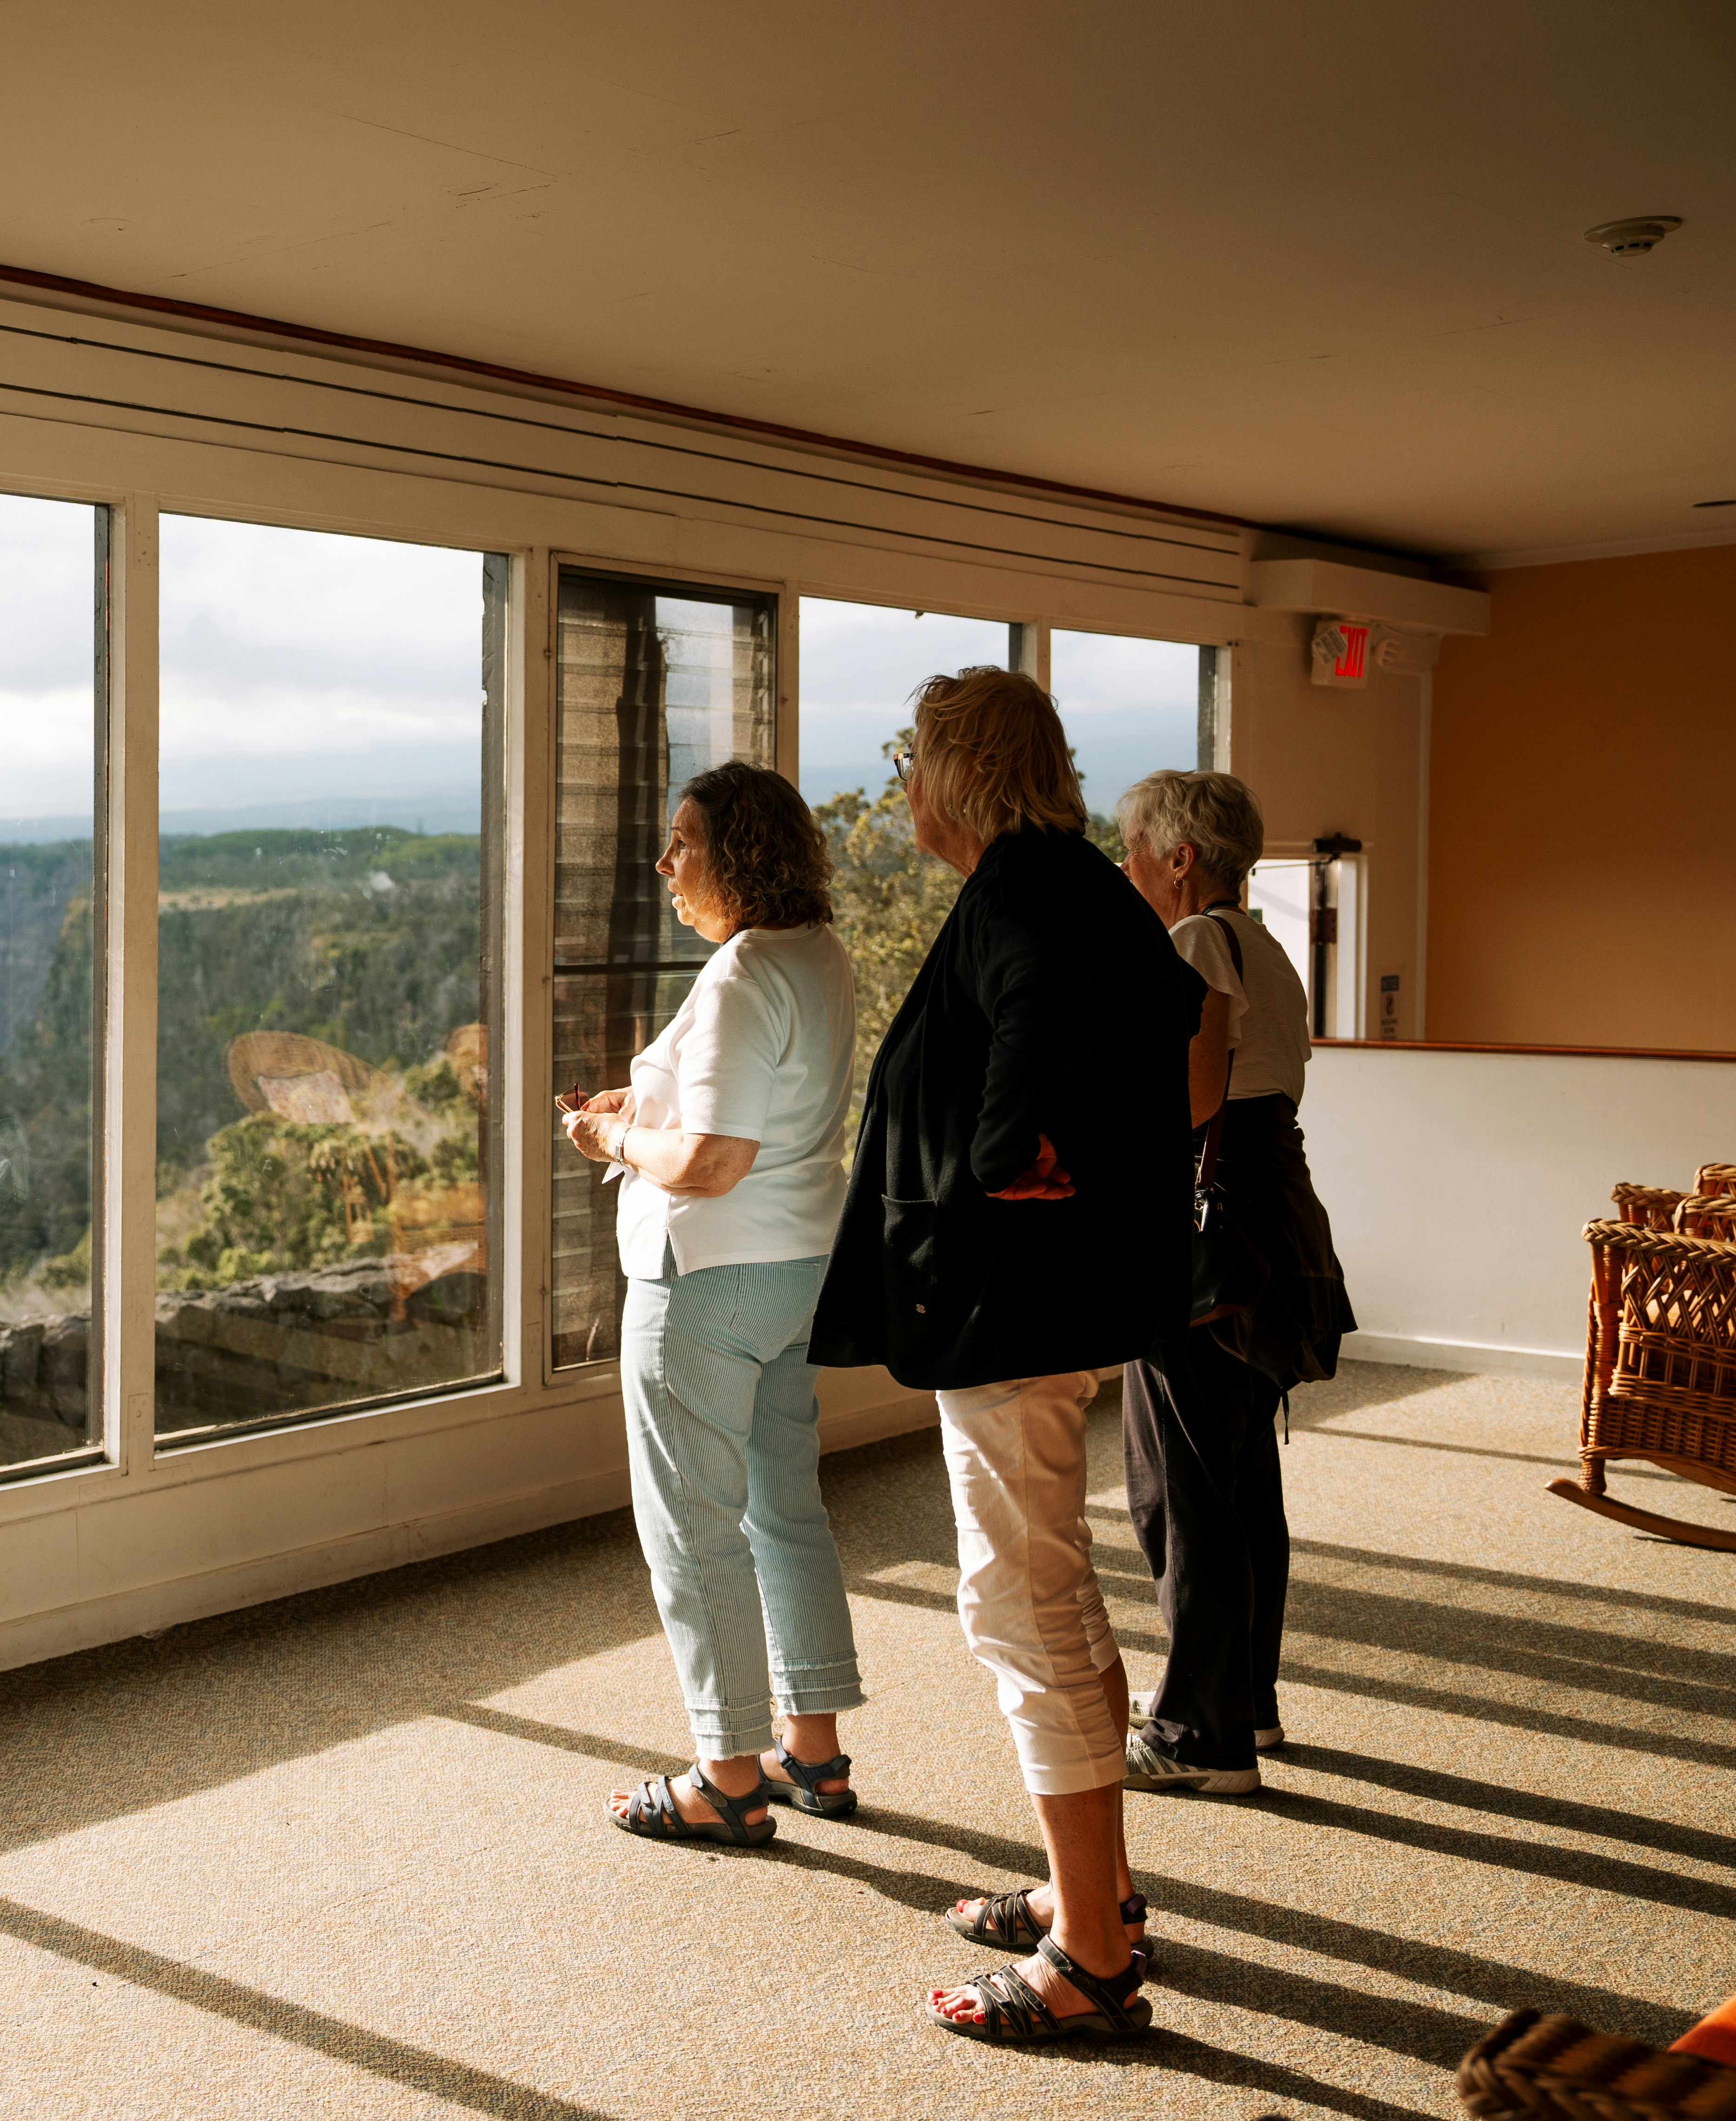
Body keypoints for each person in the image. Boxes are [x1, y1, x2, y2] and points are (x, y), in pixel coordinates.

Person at [806, 666, 1202, 2045]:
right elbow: (1175, 1020)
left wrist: (1001, 1151)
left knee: (1020, 1608)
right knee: (1056, 1591)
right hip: (1045, 1301)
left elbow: (1038, 1019)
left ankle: (1090, 1958)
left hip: (1010, 1309)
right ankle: (1091, 1893)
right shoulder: (1072, 879)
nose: (902, 781)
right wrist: (1063, 1157)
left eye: (910, 756)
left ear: (956, 770)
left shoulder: (1025, 899)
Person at [562, 762, 864, 1848]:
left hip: (707, 1281)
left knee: (691, 1527)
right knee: (784, 1505)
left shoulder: (740, 971)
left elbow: (712, 1157)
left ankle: (726, 1774)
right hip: (798, 1271)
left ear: (736, 854)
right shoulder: (816, 955)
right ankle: (813, 1752)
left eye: (681, 841)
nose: (663, 863)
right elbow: (763, 1109)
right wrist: (640, 1104)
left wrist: (609, 1138)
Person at [1111, 770, 1355, 1795]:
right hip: (1274, 1221)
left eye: (1132, 847)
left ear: (1180, 858)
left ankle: (1204, 1735)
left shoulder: (1196, 943)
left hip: (1213, 1236)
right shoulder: (1273, 950)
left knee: (1184, 1487)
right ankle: (1241, 1699)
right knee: (1240, 1477)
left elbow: (1193, 1096)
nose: (1125, 866)